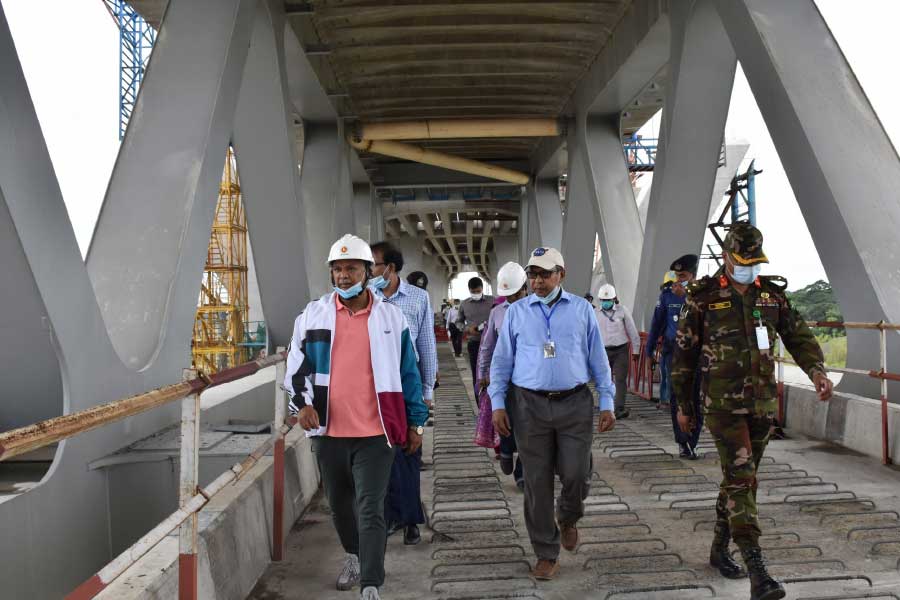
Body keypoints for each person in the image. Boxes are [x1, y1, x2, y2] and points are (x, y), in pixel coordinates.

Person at [672, 223, 833, 600]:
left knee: (738, 480)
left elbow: (798, 336)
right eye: (742, 261)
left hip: (761, 404)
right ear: (726, 257)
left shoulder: (771, 296)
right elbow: (683, 357)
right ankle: (757, 570)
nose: (749, 268)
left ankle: (718, 548)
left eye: (753, 261)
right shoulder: (703, 298)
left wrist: (817, 371)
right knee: (743, 480)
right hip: (722, 406)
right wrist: (684, 405)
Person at [285, 234, 428, 600]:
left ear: (368, 272)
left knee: (370, 506)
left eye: (351, 268)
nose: (343, 275)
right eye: (337, 269)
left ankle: (371, 582)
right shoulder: (313, 315)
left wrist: (416, 422)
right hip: (328, 431)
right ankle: (353, 554)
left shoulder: (390, 318)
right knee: (339, 505)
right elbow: (297, 367)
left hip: (376, 432)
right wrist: (302, 405)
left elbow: (408, 374)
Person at [488, 246, 616, 581]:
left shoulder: (581, 310)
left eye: (545, 274)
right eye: (533, 274)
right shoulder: (516, 313)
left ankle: (569, 516)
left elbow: (598, 359)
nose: (537, 281)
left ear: (561, 274)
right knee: (536, 481)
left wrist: (607, 400)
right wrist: (498, 403)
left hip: (575, 403)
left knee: (576, 472)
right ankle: (546, 552)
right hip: (528, 406)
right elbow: (501, 362)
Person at [369, 241, 436, 546]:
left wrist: (426, 391)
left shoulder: (418, 298)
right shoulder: (365, 298)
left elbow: (427, 346)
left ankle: (410, 520)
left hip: (407, 386)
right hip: (375, 388)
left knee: (409, 451)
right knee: (381, 456)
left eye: (373, 265)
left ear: (390, 268)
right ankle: (388, 517)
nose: (369, 272)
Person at [476, 262, 529, 489]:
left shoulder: (536, 311)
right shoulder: (497, 313)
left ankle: (523, 471)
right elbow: (487, 346)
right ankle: (506, 448)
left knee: (530, 425)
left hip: (531, 379)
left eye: (516, 294)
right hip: (504, 378)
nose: (512, 299)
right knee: (507, 419)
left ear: (525, 288)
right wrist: (483, 374)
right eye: (508, 295)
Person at [648, 255, 704, 459]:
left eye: (683, 276)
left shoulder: (703, 295)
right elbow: (656, 324)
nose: (679, 280)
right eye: (677, 275)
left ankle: (692, 441)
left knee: (695, 398)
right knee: (676, 397)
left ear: (693, 276)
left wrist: (687, 295)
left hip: (696, 354)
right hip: (673, 353)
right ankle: (682, 442)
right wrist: (649, 350)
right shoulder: (667, 295)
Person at [595, 284, 640, 420]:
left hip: (621, 350)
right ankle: (605, 407)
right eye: (603, 300)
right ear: (600, 300)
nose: (606, 302)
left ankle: (619, 408)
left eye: (608, 300)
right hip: (603, 351)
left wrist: (636, 349)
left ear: (614, 299)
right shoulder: (595, 313)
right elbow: (589, 333)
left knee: (620, 379)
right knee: (604, 380)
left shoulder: (622, 310)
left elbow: (632, 329)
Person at [456, 277, 494, 399]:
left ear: (482, 289)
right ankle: (479, 402)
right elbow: (458, 322)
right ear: (469, 290)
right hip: (475, 343)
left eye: (478, 291)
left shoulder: (492, 301)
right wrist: (467, 329)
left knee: (494, 372)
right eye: (473, 292)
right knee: (477, 374)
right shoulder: (464, 304)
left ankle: (494, 401)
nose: (476, 294)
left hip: (493, 344)